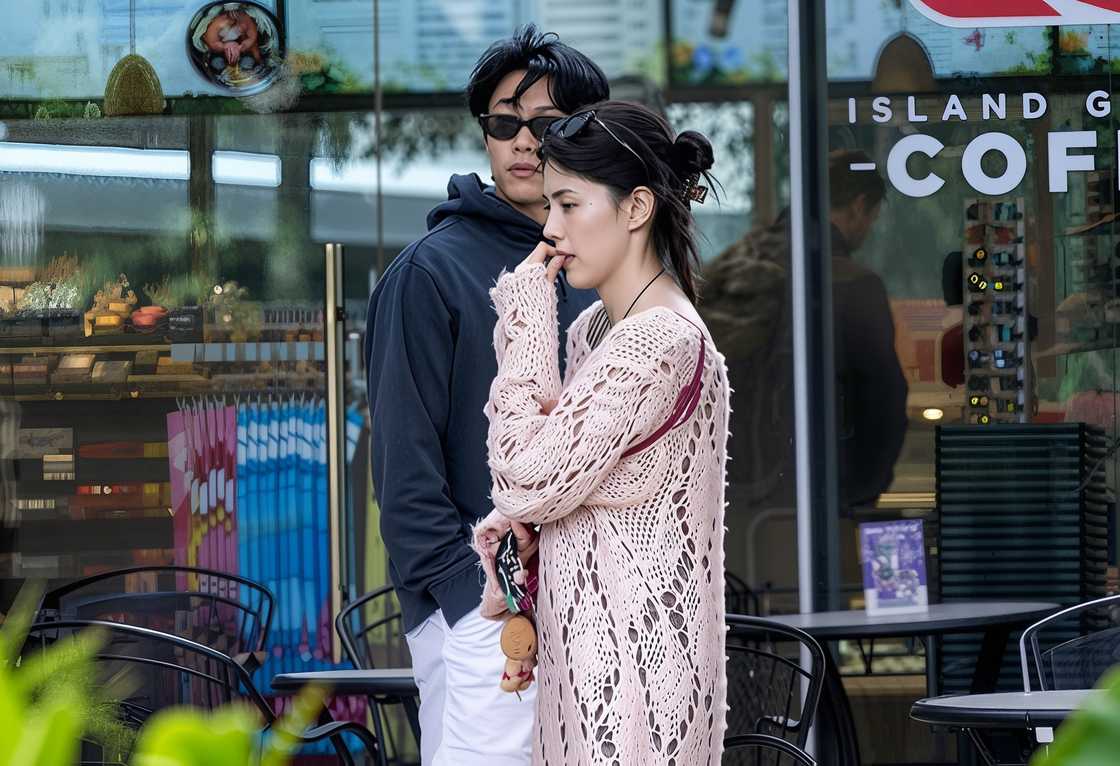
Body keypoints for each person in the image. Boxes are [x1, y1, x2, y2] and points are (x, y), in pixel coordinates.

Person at [363, 26, 607, 766]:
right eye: (505, 123)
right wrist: (480, 607)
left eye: (548, 124)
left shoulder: (600, 266)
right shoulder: (428, 275)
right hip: (487, 622)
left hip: (596, 613)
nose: (525, 142)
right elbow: (405, 477)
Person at [473, 101, 730, 765]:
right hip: (589, 672)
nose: (550, 228)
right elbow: (560, 486)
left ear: (636, 208)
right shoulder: (598, 331)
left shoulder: (659, 342)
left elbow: (524, 476)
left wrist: (527, 320)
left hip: (637, 690)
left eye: (567, 204)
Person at [702, 148, 908, 515]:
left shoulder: (733, 264)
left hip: (724, 492)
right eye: (872, 218)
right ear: (860, 206)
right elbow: (883, 407)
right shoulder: (851, 283)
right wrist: (857, 496)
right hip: (810, 497)